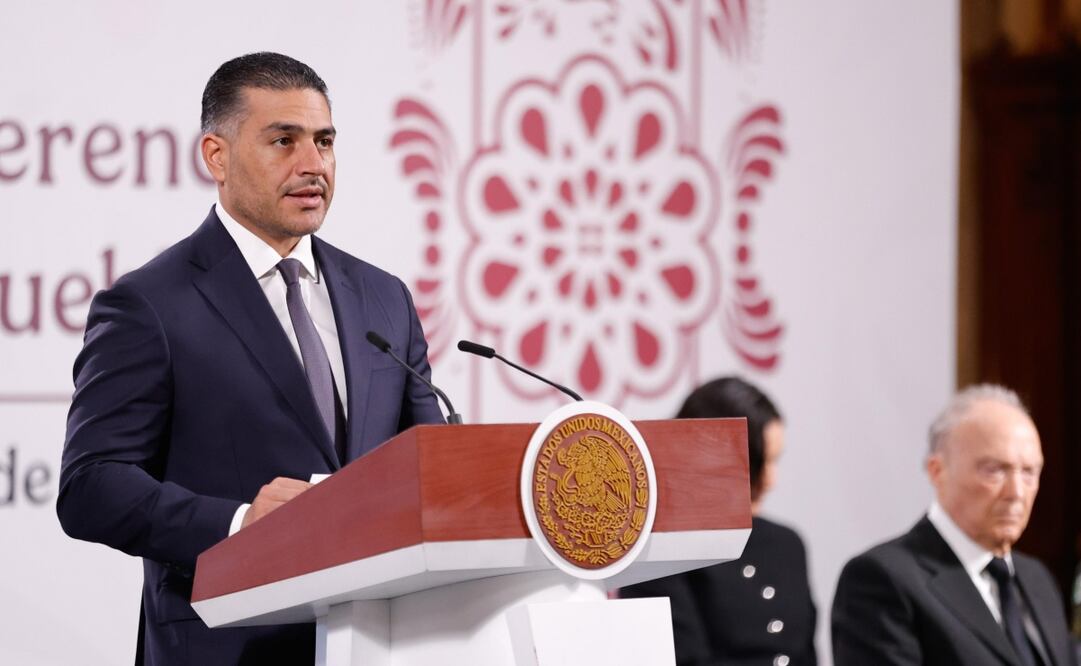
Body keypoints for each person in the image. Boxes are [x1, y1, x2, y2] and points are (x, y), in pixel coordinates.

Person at [56, 53, 444, 666]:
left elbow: (433, 461)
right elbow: (91, 486)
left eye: (324, 141)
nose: (313, 164)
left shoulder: (383, 296)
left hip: (381, 640)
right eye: (283, 141)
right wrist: (239, 521)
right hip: (227, 644)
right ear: (217, 155)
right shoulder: (149, 304)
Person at [832, 385, 1077, 666]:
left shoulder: (1037, 579)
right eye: (995, 470)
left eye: (1029, 472)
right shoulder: (882, 579)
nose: (1017, 492)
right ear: (938, 471)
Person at [621, 377, 817, 665]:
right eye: (757, 462)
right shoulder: (657, 554)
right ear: (710, 457)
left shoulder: (787, 544)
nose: (770, 481)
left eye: (775, 460)